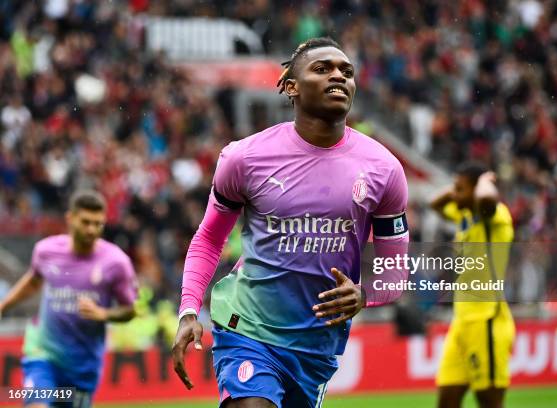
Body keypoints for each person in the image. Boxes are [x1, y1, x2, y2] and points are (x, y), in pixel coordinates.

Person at [172, 37, 410, 408]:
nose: (338, 76)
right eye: (322, 69)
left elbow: (395, 271)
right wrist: (189, 309)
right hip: (245, 327)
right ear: (290, 87)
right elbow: (208, 238)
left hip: (315, 348)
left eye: (346, 71)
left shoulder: (384, 169)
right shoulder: (245, 158)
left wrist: (365, 295)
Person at [0, 190, 138, 408]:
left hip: (82, 367)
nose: (91, 229)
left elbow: (130, 310)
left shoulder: (116, 263)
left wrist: (103, 314)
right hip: (43, 354)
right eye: (85, 222)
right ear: (70, 218)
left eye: (97, 224)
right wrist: (3, 306)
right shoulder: (46, 251)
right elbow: (33, 281)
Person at [430, 163, 515, 408]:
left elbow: (487, 199)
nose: (454, 194)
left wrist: (485, 181)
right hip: (462, 321)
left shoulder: (495, 215)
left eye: (460, 189)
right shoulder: (464, 215)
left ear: (476, 190)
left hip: (486, 318)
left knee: (488, 402)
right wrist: (458, 189)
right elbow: (434, 204)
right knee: (447, 400)